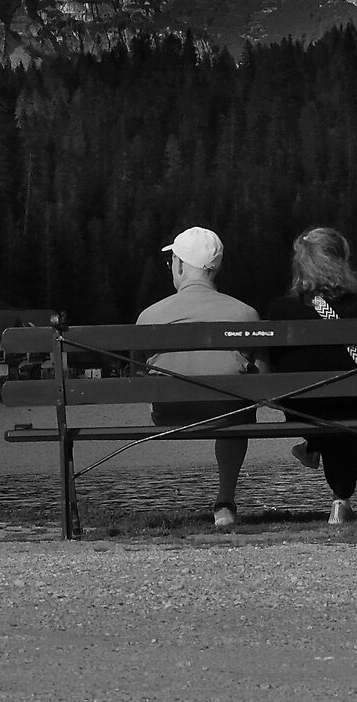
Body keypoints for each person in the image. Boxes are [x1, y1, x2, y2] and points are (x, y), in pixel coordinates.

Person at [266, 226, 357, 525]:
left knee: (326, 405)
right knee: (353, 406)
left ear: (300, 263)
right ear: (342, 261)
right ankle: (341, 498)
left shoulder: (281, 310)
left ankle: (315, 449)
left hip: (302, 411)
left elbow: (275, 366)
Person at [135, 225, 258, 528]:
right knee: (239, 410)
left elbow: (136, 376)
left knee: (236, 407)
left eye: (171, 262)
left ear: (178, 265)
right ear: (216, 269)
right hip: (229, 415)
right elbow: (263, 378)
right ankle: (225, 503)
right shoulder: (245, 314)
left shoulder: (149, 316)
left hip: (167, 414)